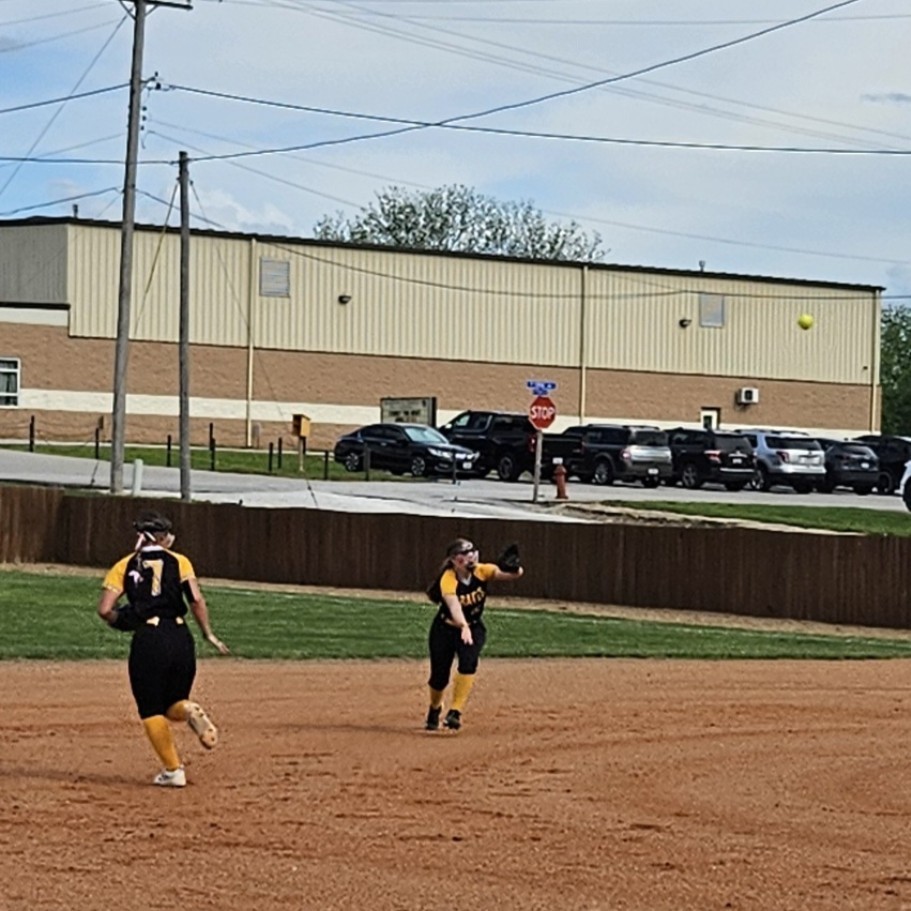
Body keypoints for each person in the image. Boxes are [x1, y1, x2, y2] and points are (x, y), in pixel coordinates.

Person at [97, 509, 230, 788]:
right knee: (172, 705)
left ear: (142, 537)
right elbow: (196, 600)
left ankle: (173, 770)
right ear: (162, 538)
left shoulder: (125, 564)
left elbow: (105, 609)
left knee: (150, 709)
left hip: (150, 639)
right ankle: (190, 709)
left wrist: (122, 621)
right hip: (181, 636)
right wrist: (209, 634)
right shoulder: (180, 561)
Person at [424, 537, 523, 732]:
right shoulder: (448, 578)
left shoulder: (482, 571)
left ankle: (455, 712)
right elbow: (453, 605)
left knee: (468, 663)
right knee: (439, 677)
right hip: (445, 629)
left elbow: (511, 575)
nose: (471, 556)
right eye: (464, 553)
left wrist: (516, 568)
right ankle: (435, 707)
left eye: (472, 551)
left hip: (474, 628)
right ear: (454, 560)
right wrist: (463, 626)